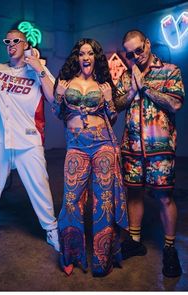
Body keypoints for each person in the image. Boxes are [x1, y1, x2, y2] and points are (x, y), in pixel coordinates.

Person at [0, 29, 60, 252]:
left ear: (26, 45)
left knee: (40, 186)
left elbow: (54, 97)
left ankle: (52, 230)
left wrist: (40, 70)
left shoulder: (37, 68)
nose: (11, 44)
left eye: (17, 40)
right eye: (8, 41)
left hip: (29, 137)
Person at [53, 38, 128, 277]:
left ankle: (102, 258)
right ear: (77, 57)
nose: (86, 57)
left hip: (102, 143)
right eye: (81, 53)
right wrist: (58, 95)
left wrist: (108, 100)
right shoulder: (65, 82)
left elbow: (113, 118)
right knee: (71, 201)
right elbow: (58, 113)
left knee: (103, 200)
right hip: (76, 146)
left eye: (90, 53)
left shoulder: (104, 83)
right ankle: (71, 254)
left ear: (96, 57)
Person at [114, 30, 185, 277]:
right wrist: (132, 90)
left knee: (164, 198)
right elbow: (117, 104)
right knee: (133, 193)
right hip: (132, 148)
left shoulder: (169, 71)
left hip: (160, 147)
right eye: (130, 53)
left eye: (139, 50)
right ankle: (135, 241)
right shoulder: (126, 75)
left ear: (147, 44)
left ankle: (169, 248)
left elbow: (175, 103)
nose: (136, 56)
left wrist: (145, 88)